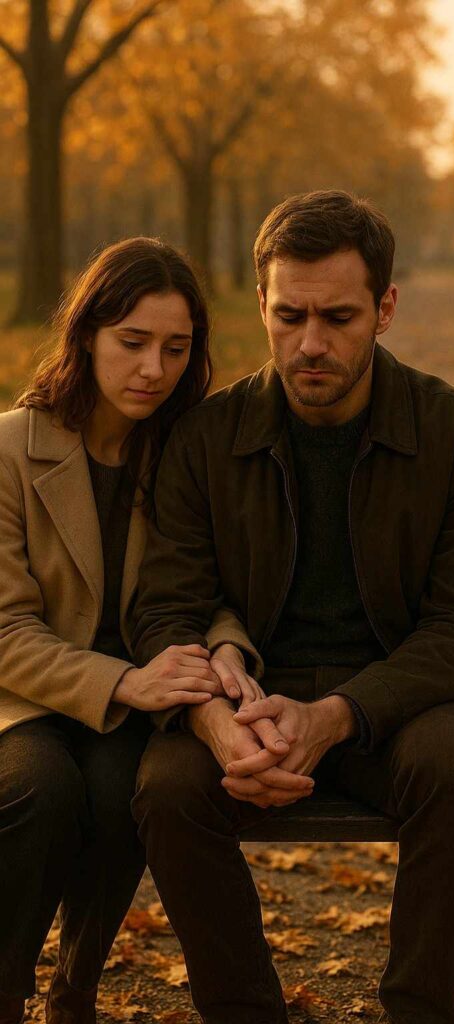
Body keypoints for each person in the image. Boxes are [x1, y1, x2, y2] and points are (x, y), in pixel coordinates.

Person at [131, 189, 454, 1024]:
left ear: (385, 308)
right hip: (249, 691)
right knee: (167, 787)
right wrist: (212, 719)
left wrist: (337, 715)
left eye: (337, 317)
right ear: (261, 305)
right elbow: (165, 607)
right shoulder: (205, 436)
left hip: (399, 693)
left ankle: (420, 1010)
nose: (310, 343)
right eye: (288, 315)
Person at [0, 237, 232, 1024]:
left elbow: (220, 588)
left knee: (120, 788)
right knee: (43, 787)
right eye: (132, 343)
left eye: (176, 349)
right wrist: (124, 681)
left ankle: (77, 984)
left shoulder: (186, 450)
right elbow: (2, 630)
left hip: (138, 698)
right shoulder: (7, 449)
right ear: (86, 334)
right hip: (22, 695)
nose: (153, 370)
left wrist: (228, 648)